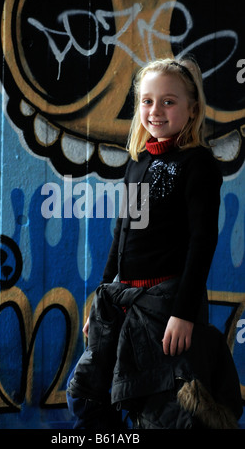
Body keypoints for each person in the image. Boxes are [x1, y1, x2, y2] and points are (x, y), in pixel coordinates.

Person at [66, 57, 243, 429]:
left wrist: (183, 313)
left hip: (169, 309)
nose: (155, 110)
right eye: (147, 101)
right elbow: (124, 232)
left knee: (164, 413)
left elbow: (202, 242)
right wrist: (104, 298)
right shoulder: (139, 163)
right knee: (87, 396)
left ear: (192, 108)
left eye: (168, 101)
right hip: (124, 303)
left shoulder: (198, 165)